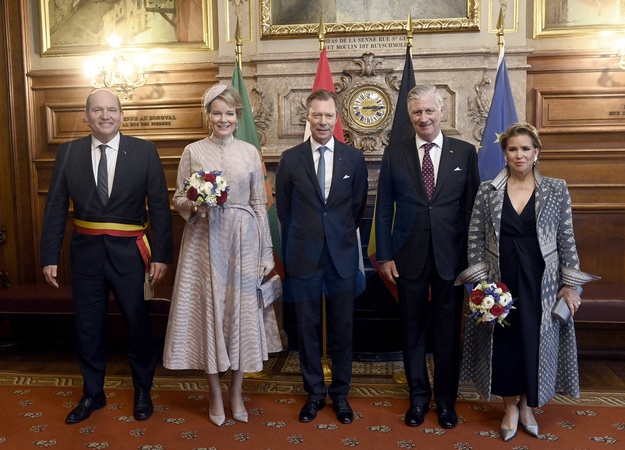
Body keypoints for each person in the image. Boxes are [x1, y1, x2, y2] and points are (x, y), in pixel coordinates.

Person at [455, 122, 599, 441]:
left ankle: (527, 405)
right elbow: (474, 238)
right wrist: (480, 286)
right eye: (512, 149)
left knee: (533, 339)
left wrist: (570, 285)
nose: (519, 154)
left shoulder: (556, 188)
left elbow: (566, 238)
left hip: (541, 280)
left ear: (536, 152)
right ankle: (509, 406)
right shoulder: (488, 190)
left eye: (525, 148)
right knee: (505, 342)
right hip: (499, 279)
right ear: (504, 153)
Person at [40, 89, 173, 424]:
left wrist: (161, 256)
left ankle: (143, 390)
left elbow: (159, 206)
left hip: (132, 255)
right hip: (85, 255)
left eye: (111, 110)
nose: (105, 116)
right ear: (86, 116)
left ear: (121, 116)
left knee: (138, 325)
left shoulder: (144, 151)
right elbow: (55, 207)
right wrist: (49, 255)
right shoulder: (68, 152)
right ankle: (92, 394)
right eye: (97, 110)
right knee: (88, 328)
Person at [162, 84, 275, 427]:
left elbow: (259, 205)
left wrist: (266, 252)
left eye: (229, 113)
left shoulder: (250, 152)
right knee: (209, 314)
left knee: (240, 316)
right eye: (216, 113)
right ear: (208, 115)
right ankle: (213, 392)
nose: (223, 119)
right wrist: (195, 204)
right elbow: (177, 198)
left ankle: (236, 391)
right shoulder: (193, 151)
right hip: (204, 240)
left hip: (243, 240)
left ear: (238, 116)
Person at [375, 84, 479, 429]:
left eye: (429, 110)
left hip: (452, 260)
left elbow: (472, 210)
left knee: (448, 334)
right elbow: (384, 207)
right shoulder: (395, 153)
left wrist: (473, 258)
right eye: (417, 112)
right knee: (412, 332)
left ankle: (447, 402)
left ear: (441, 112)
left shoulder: (465, 153)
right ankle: (418, 399)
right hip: (408, 257)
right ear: (410, 116)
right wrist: (385, 256)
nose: (424, 118)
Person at [275, 89, 368, 424]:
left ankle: (340, 394)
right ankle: (314, 393)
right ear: (308, 117)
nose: (323, 121)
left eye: (329, 115)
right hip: (304, 257)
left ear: (337, 118)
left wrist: (335, 235)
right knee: (308, 329)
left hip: (341, 257)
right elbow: (284, 210)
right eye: (317, 115)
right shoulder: (290, 159)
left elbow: (357, 208)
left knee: (343, 330)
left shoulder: (353, 158)